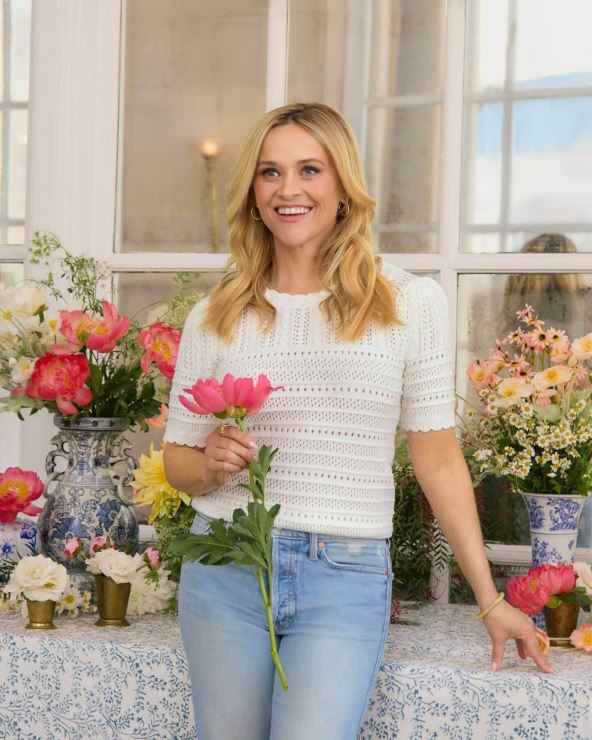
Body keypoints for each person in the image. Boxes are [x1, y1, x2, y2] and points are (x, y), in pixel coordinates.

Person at [163, 102, 553, 740]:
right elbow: (176, 461)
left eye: (309, 170)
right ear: (253, 192)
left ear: (343, 186)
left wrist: (489, 598)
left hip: (343, 577)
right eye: (269, 172)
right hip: (226, 571)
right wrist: (209, 465)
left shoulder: (408, 302)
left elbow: (437, 458)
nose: (288, 189)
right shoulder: (215, 314)